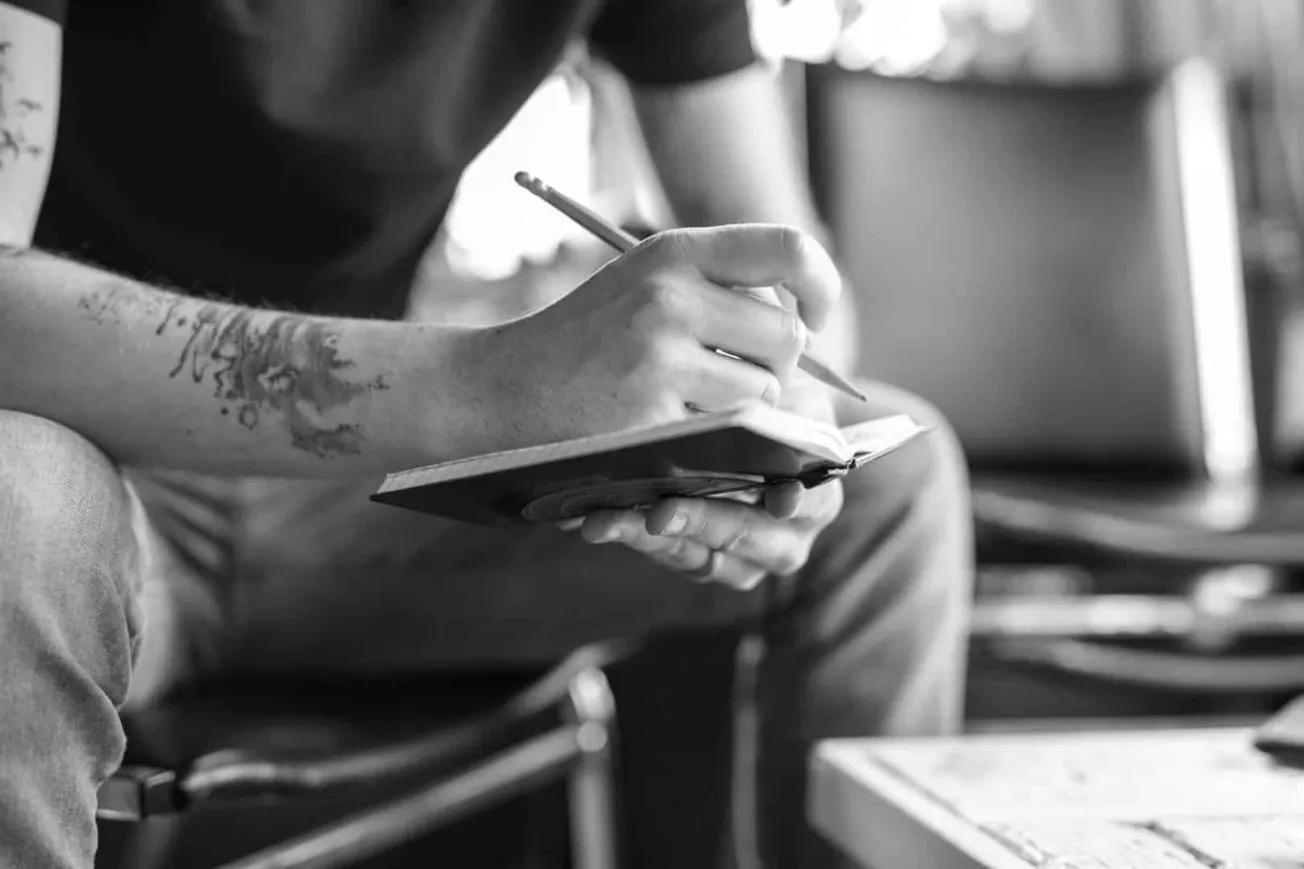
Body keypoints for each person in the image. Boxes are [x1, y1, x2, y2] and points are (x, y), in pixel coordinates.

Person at [0, 1, 973, 866]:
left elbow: (776, 266)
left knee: (888, 478)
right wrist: (494, 381)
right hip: (80, 453)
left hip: (356, 497)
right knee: (16, 502)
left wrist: (767, 426)